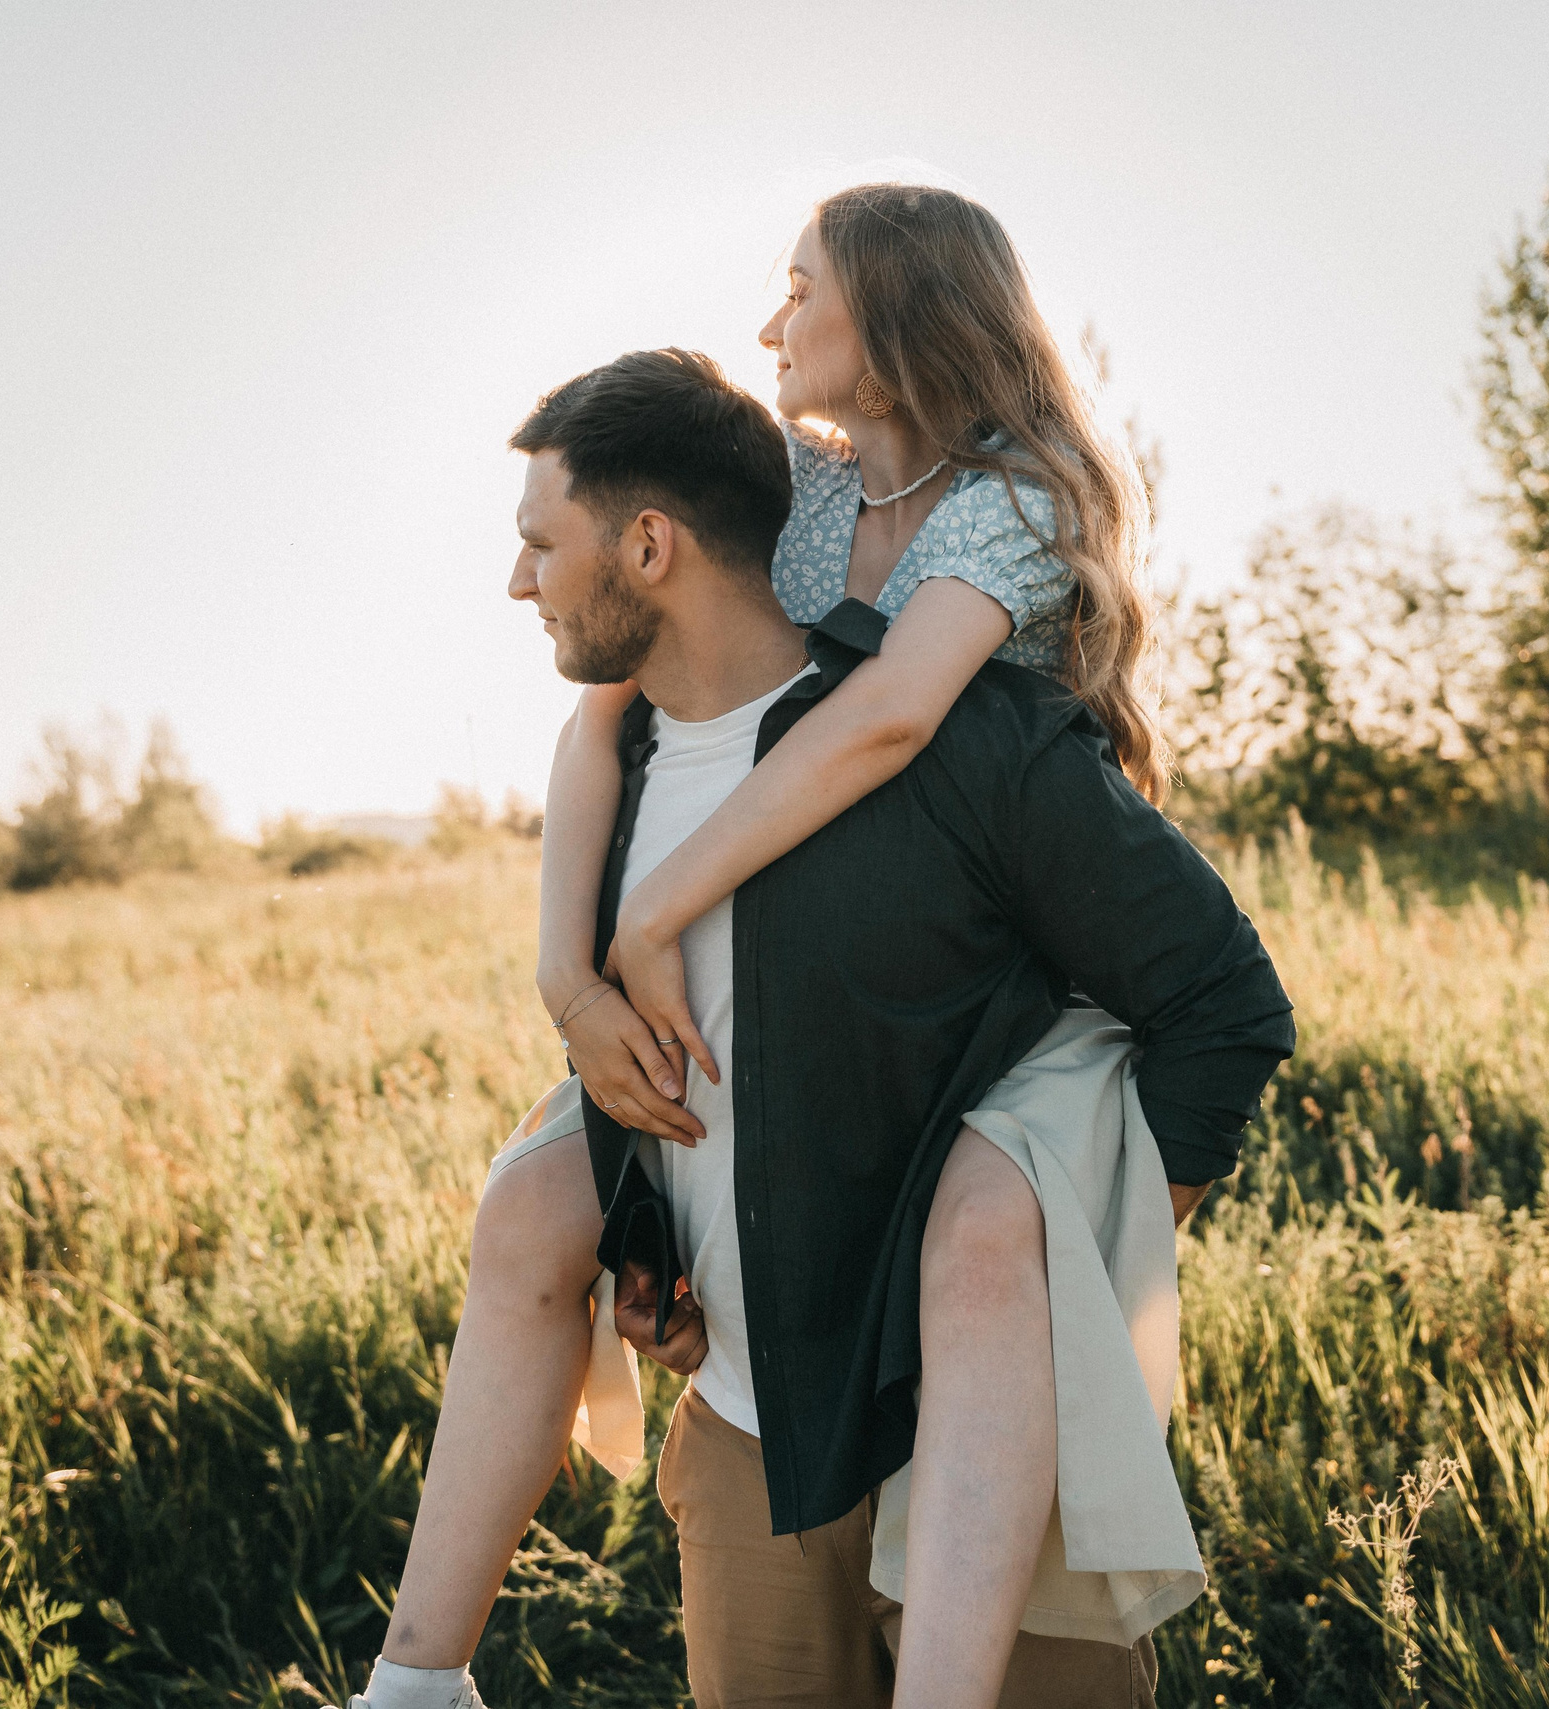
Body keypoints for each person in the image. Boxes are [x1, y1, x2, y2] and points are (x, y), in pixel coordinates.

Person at [360, 186, 1271, 1709]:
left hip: (991, 1109)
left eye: (801, 290)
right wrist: (575, 989)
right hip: (748, 1393)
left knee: (987, 1235)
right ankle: (415, 1677)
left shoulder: (1009, 547)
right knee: (529, 1208)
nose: (771, 321)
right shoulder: (781, 516)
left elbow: (903, 714)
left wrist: (1103, 1233)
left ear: (902, 319)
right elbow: (608, 697)